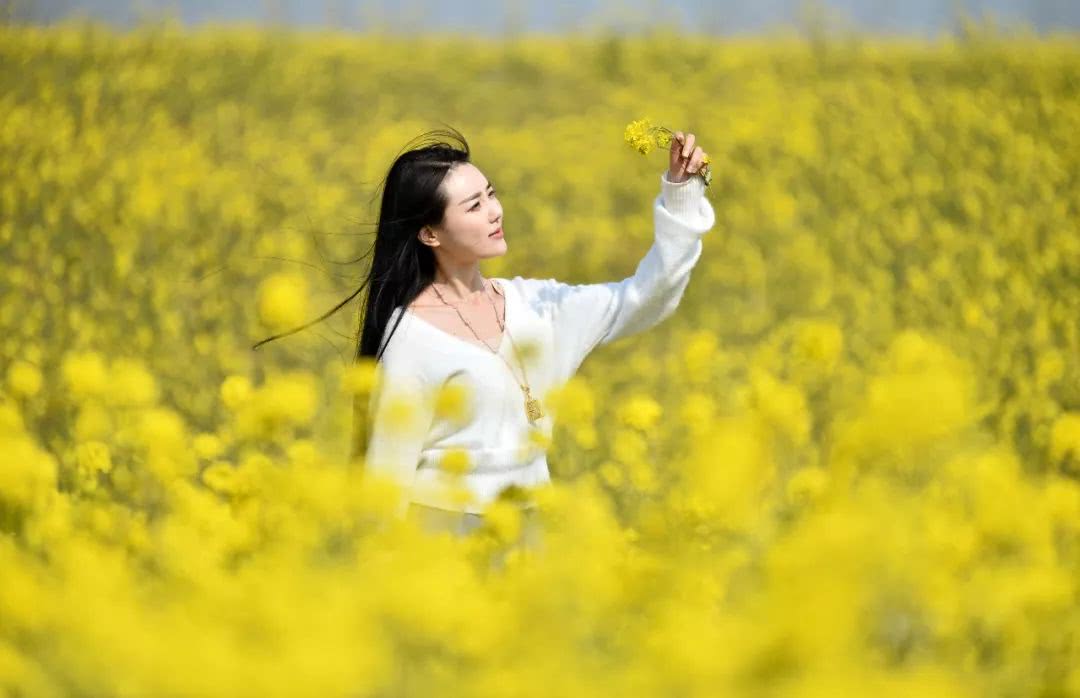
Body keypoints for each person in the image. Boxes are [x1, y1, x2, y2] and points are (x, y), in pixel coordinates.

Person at [350, 126, 715, 547]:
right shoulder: (410, 339)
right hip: (442, 542)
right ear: (430, 234)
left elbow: (644, 297)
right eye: (473, 206)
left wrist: (682, 195)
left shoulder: (538, 306)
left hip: (530, 533)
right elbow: (384, 487)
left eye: (491, 194)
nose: (494, 212)